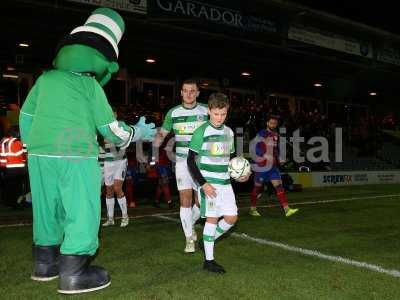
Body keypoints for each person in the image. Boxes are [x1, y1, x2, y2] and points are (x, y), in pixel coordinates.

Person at [19, 8, 155, 294]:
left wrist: (34, 144)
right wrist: (135, 133)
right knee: (82, 210)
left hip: (40, 155)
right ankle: (74, 273)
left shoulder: (45, 79)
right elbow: (109, 129)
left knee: (46, 209)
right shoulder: (90, 85)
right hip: (76, 153)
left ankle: (44, 264)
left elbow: (26, 117)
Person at [187, 92, 249, 274]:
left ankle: (207, 240)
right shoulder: (201, 132)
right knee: (213, 218)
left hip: (225, 183)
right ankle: (209, 260)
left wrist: (240, 175)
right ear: (209, 111)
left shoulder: (229, 132)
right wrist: (203, 184)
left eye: (223, 114)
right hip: (209, 184)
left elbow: (230, 160)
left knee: (231, 218)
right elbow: (190, 161)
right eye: (216, 114)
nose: (219, 118)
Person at [154, 79, 208, 253]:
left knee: (202, 203)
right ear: (181, 93)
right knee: (185, 200)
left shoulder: (207, 110)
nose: (189, 94)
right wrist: (153, 149)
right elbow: (162, 133)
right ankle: (188, 239)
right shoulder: (173, 113)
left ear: (198, 93)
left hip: (202, 162)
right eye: (186, 91)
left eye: (193, 91)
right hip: (183, 162)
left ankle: (190, 223)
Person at [249, 115, 299, 217]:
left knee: (279, 186)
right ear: (267, 123)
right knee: (257, 188)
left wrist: (279, 157)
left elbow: (274, 149)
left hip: (272, 166)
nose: (273, 125)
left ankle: (287, 209)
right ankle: (252, 209)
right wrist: (264, 154)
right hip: (261, 166)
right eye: (271, 123)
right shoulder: (262, 133)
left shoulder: (276, 135)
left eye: (275, 123)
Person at [102, 109, 130, 227]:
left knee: (118, 188)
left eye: (112, 113)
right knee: (108, 191)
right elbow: (102, 143)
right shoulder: (102, 128)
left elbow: (125, 141)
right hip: (108, 162)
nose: (111, 115)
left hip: (120, 161)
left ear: (116, 114)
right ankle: (110, 218)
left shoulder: (121, 126)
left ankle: (125, 217)